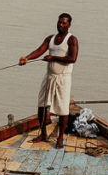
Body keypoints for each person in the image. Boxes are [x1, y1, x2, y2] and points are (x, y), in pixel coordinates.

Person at [19, 13, 79, 149]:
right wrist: (27, 58)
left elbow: (72, 58)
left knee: (63, 109)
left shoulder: (72, 40)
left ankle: (60, 138)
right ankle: (43, 134)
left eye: (64, 23)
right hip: (49, 76)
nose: (61, 25)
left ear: (69, 25)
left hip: (63, 78)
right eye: (59, 22)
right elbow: (39, 50)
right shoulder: (50, 38)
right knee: (42, 105)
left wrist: (54, 58)